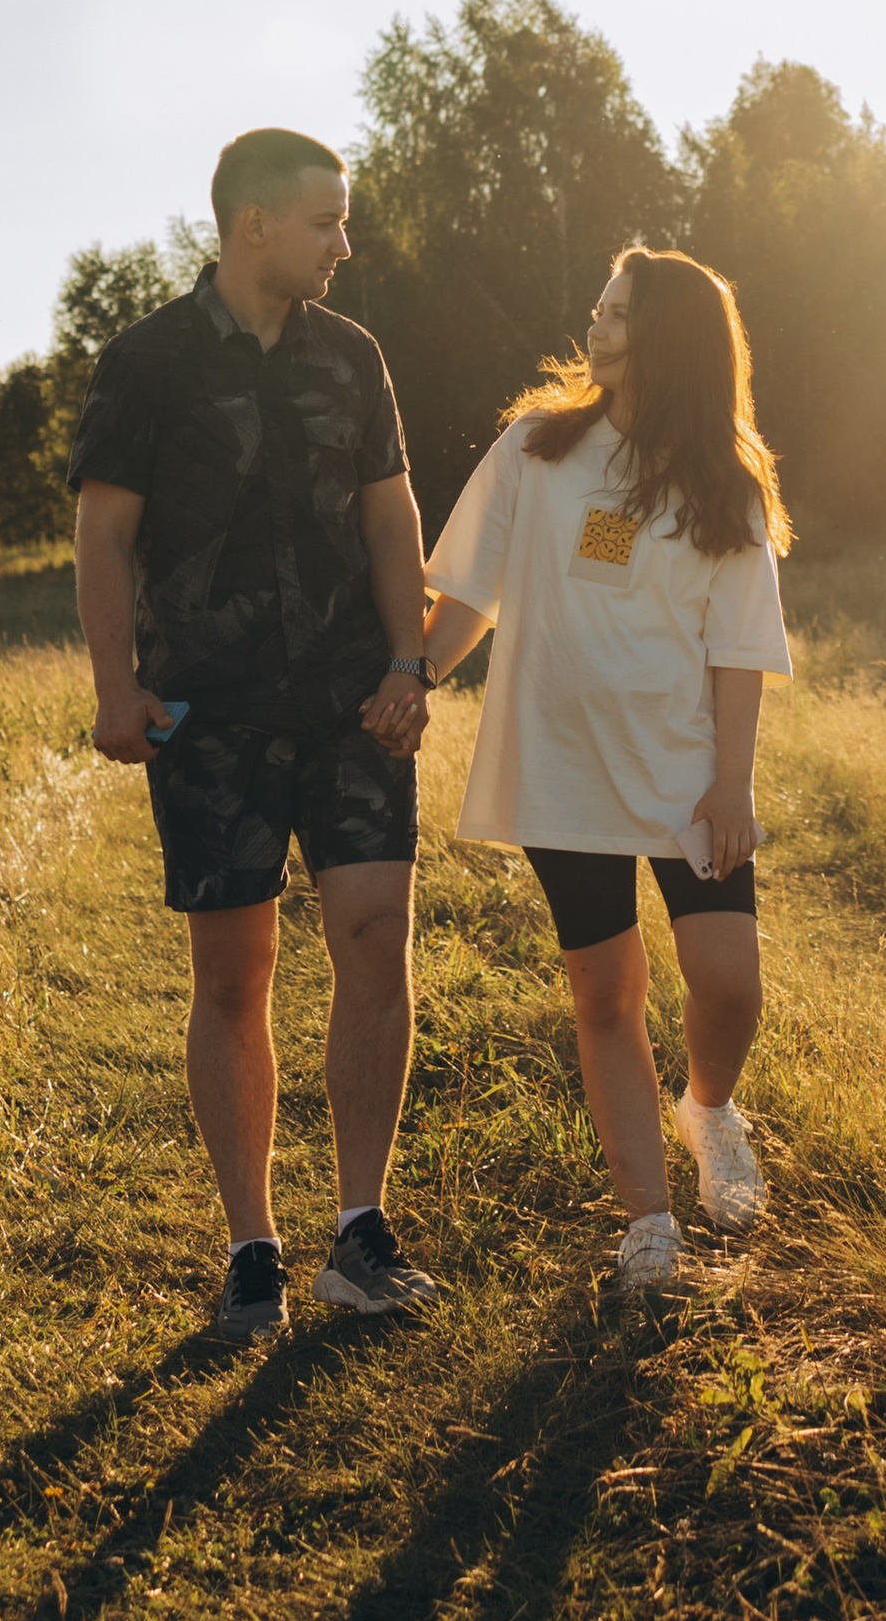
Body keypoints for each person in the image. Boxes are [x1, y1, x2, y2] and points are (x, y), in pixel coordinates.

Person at [70, 127, 440, 1337]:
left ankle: (359, 1230)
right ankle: (251, 1247)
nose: (346, 241)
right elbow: (105, 536)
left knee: (375, 940)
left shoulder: (354, 356)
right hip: (210, 712)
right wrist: (116, 688)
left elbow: (393, 522)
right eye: (328, 221)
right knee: (235, 977)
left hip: (351, 702)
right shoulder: (148, 363)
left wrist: (406, 662)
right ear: (254, 227)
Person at [419, 245, 792, 1293]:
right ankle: (649, 1226)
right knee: (605, 989)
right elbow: (468, 598)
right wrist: (416, 673)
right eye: (598, 308)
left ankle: (710, 1110)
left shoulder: (724, 480)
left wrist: (732, 783)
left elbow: (740, 645)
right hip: (561, 766)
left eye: (618, 314)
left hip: (684, 771)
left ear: (669, 336)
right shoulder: (537, 450)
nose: (596, 326)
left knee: (728, 982)